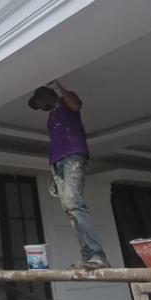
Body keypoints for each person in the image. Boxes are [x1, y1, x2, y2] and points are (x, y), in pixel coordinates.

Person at [27, 80, 110, 269]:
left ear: (44, 95)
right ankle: (87, 255)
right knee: (70, 210)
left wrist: (58, 87)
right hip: (58, 162)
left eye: (39, 103)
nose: (40, 108)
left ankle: (98, 255)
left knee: (74, 204)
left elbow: (77, 105)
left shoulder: (66, 101)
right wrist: (53, 173)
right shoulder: (51, 116)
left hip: (73, 156)